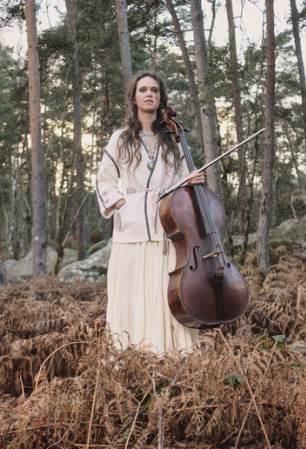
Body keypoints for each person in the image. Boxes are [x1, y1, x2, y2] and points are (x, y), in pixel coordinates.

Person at [96, 71, 205, 353]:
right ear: (134, 97)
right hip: (129, 229)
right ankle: (131, 357)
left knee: (161, 292)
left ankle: (168, 355)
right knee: (131, 292)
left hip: (166, 228)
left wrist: (190, 181)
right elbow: (104, 180)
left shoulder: (173, 138)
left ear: (160, 98)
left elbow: (182, 181)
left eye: (154, 90)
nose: (149, 94)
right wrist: (122, 206)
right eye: (143, 89)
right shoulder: (120, 138)